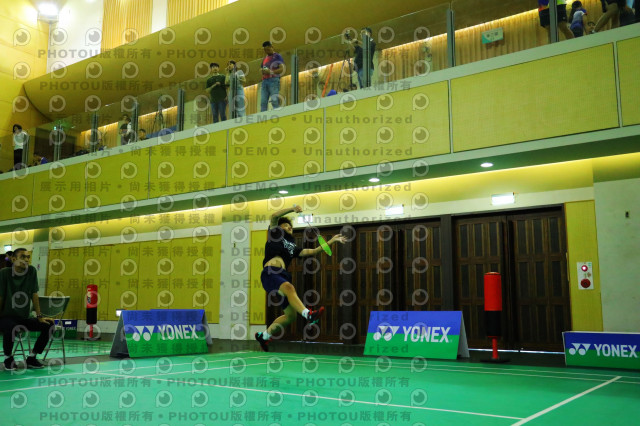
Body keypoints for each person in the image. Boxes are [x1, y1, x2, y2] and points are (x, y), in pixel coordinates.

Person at [255, 205, 347, 352]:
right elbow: (274, 216)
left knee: (290, 316)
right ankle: (308, 314)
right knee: (289, 287)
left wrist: (332, 241)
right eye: (286, 225)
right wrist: (292, 208)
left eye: (290, 226)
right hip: (270, 273)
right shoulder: (275, 233)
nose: (289, 227)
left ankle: (264, 336)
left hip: (282, 275)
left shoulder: (292, 246)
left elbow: (313, 251)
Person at [0, 248, 54, 370]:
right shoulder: (4, 273)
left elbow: (34, 294)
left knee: (49, 325)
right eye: (23, 257)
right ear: (13, 259)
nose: (26, 259)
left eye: (28, 257)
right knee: (11, 327)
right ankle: (8, 358)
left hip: (24, 318)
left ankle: (32, 358)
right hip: (6, 317)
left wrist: (39, 316)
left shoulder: (31, 271)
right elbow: (1, 297)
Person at [260, 41, 285, 112]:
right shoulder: (264, 59)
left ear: (272, 47)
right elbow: (261, 68)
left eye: (268, 49)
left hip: (273, 80)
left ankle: (277, 114)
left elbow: (282, 69)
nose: (267, 51)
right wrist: (262, 71)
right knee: (263, 102)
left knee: (274, 100)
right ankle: (263, 116)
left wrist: (271, 72)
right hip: (264, 81)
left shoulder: (277, 56)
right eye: (265, 50)